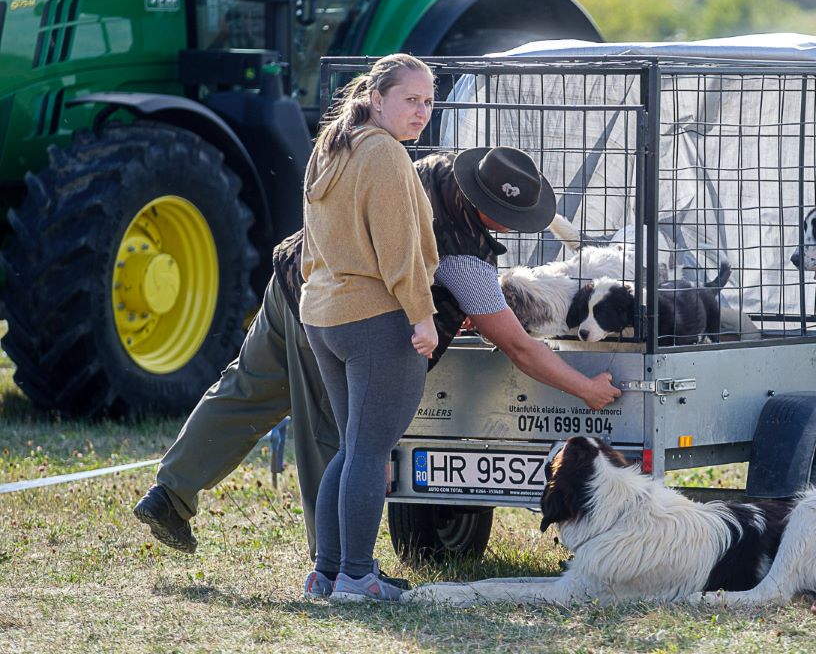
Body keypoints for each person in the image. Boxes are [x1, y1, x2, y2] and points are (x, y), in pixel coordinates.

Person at [132, 124, 622, 589]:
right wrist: (585, 388)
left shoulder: (429, 169)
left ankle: (170, 493)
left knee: (244, 389)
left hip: (295, 276)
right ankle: (340, 567)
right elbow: (518, 346)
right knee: (338, 434)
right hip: (345, 314)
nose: (513, 230)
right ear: (482, 207)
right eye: (509, 218)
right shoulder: (463, 256)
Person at [299, 52, 442, 602]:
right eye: (410, 99)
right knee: (368, 450)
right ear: (377, 98)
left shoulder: (331, 146)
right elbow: (400, 249)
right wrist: (422, 316)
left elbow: (310, 240)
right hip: (376, 319)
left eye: (429, 101)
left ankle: (327, 573)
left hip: (324, 315)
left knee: (351, 446)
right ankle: (357, 578)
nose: (422, 111)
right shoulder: (383, 153)